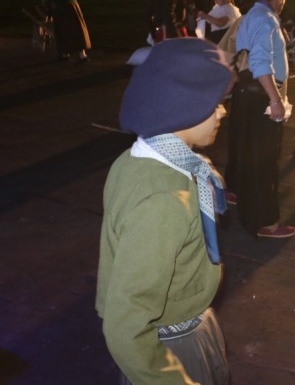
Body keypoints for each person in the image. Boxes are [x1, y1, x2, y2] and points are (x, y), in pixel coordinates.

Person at [96, 38, 234, 384]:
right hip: (172, 350)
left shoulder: (137, 161)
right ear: (183, 108)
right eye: (215, 104)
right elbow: (126, 322)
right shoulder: (163, 201)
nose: (223, 111)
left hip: (189, 326)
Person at [225, 0, 295, 238]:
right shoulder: (266, 22)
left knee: (249, 159)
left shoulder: (250, 17)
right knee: (265, 163)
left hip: (245, 94)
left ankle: (250, 215)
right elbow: (259, 64)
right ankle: (266, 223)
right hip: (260, 97)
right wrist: (275, 100)